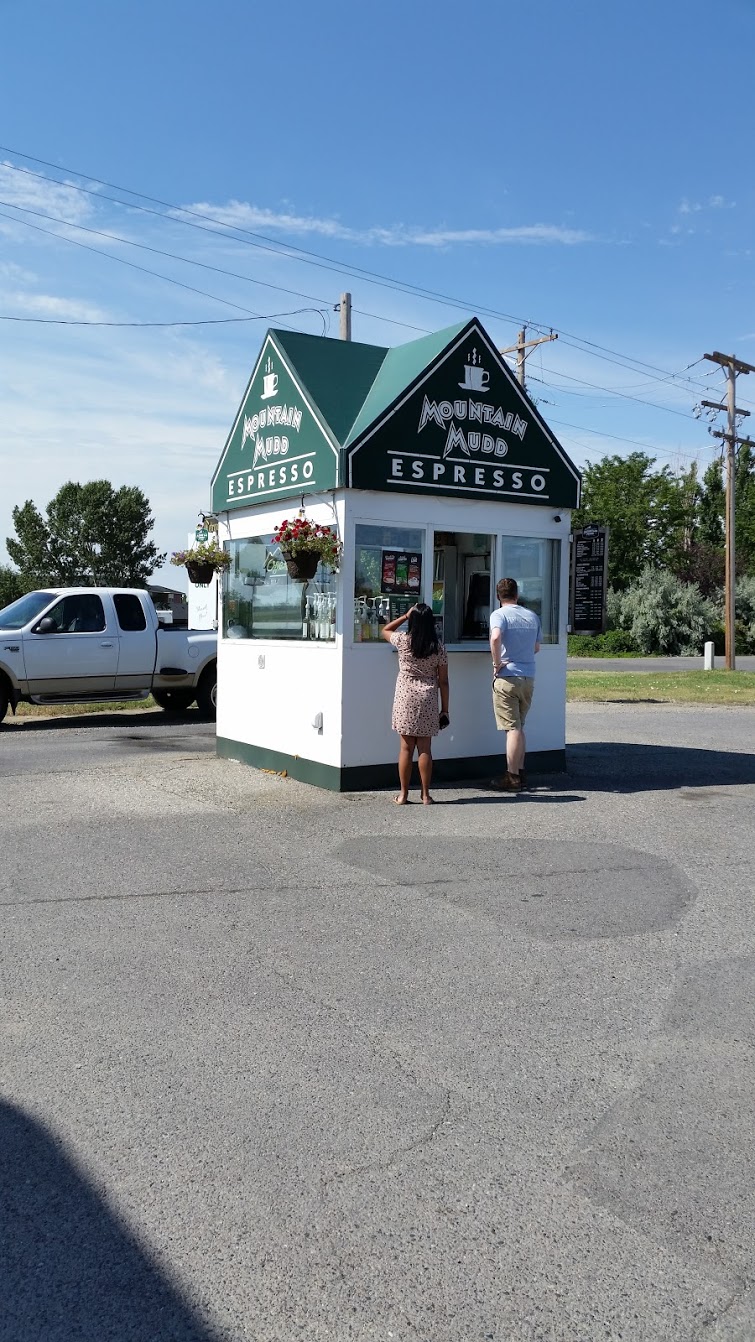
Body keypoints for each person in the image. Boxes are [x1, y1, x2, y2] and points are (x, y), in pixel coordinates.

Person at [381, 602, 449, 805]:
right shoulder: (438, 648)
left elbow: (385, 630)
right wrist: (445, 709)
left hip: (405, 697)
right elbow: (444, 681)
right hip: (428, 698)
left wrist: (405, 616)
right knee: (425, 748)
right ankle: (426, 795)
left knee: (405, 749)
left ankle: (403, 795)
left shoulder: (402, 640)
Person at [489, 578, 541, 792]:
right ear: (517, 595)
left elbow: (495, 638)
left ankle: (511, 778)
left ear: (498, 596)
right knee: (519, 727)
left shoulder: (499, 615)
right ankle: (520, 772)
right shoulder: (531, 616)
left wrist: (497, 663)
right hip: (528, 677)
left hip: (507, 677)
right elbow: (536, 647)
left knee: (511, 728)